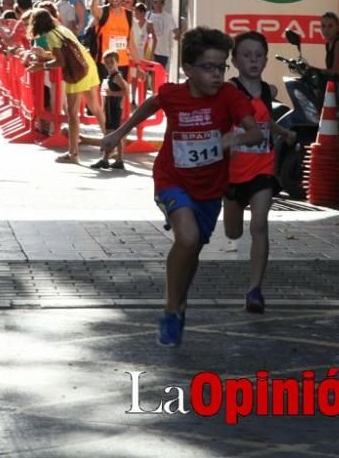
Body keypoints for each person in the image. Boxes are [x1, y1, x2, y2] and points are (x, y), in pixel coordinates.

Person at [99, 27, 263, 347]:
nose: (217, 75)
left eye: (221, 67)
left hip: (210, 188)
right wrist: (119, 133)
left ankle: (180, 300)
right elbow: (151, 104)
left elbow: (255, 133)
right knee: (186, 238)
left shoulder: (229, 96)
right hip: (171, 179)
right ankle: (171, 310)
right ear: (188, 70)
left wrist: (236, 137)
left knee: (193, 249)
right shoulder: (175, 94)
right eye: (209, 67)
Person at [223, 32, 296, 313]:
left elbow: (264, 123)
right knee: (234, 231)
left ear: (266, 59)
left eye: (258, 55)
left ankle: (255, 290)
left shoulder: (268, 91)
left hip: (262, 167)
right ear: (235, 60)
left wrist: (284, 132)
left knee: (260, 225)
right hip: (233, 173)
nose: (253, 60)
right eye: (246, 55)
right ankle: (231, 210)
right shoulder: (230, 91)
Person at [27, 8, 105, 164]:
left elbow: (60, 62)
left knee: (72, 114)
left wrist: (41, 66)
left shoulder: (50, 36)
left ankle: (73, 154)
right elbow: (65, 53)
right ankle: (112, 143)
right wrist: (45, 55)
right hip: (87, 65)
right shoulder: (61, 29)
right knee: (96, 108)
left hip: (76, 73)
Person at [88, 0, 138, 80]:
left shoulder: (128, 15)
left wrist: (139, 65)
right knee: (106, 94)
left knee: (120, 95)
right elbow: (93, 7)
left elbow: (131, 44)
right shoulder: (103, 12)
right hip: (105, 64)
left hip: (123, 63)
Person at [91, 50, 129, 170]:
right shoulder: (110, 76)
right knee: (114, 134)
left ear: (117, 62)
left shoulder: (117, 76)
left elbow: (125, 92)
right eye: (107, 62)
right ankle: (117, 159)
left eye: (112, 62)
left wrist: (111, 93)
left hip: (114, 109)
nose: (109, 65)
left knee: (111, 134)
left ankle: (106, 159)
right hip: (110, 109)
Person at [147, 0, 178, 71]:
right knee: (148, 75)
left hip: (163, 52)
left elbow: (176, 31)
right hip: (149, 51)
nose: (158, 4)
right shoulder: (147, 15)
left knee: (160, 75)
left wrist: (178, 36)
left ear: (164, 3)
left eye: (161, 2)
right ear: (152, 3)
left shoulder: (168, 17)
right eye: (155, 2)